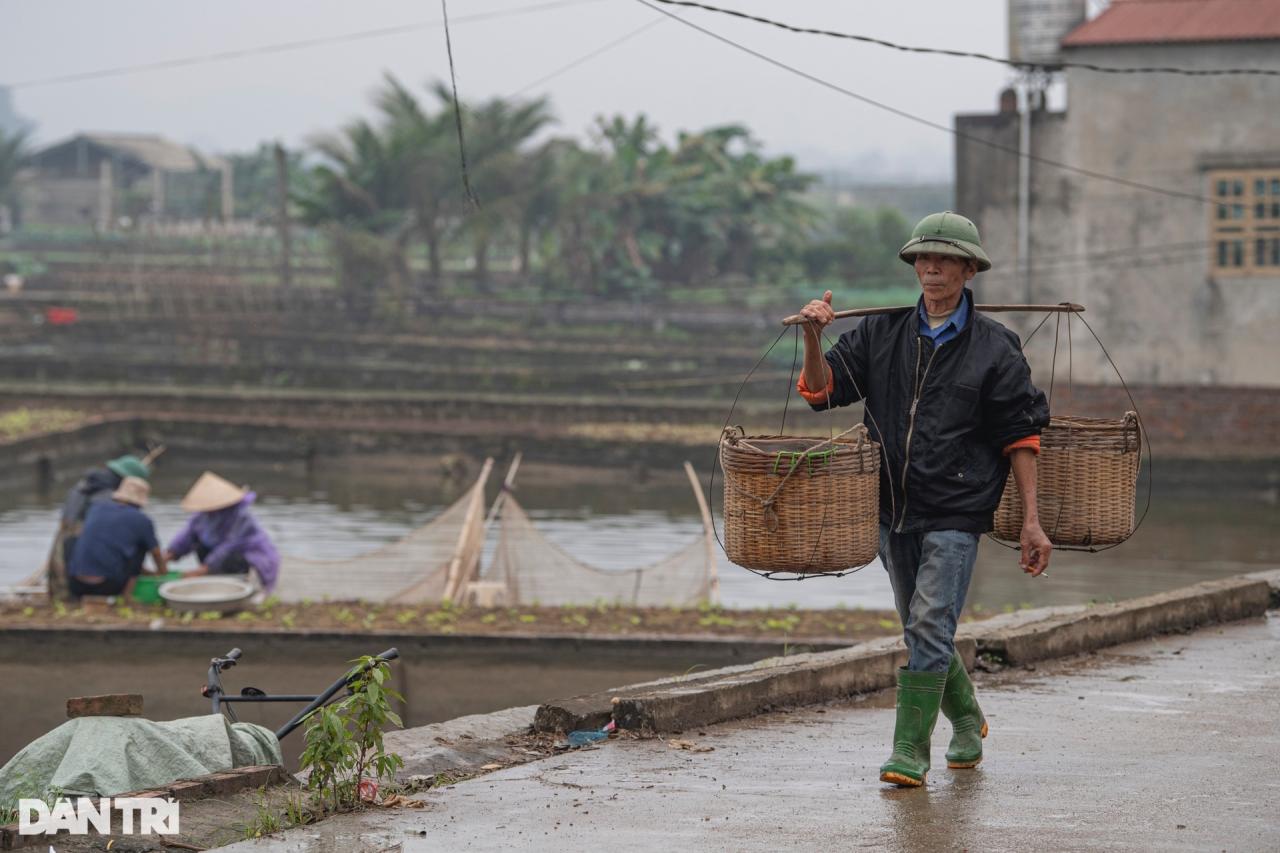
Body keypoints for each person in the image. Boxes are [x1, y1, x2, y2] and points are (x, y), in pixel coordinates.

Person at [796, 211, 1051, 787]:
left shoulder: (995, 348)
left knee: (932, 621)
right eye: (921, 258)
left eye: (943, 258)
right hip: (892, 507)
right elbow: (820, 390)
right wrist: (814, 336)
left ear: (968, 268)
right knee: (921, 627)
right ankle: (966, 717)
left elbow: (1022, 435)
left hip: (959, 510)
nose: (930, 267)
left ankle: (909, 750)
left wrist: (1031, 520)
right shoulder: (881, 334)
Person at [50, 454, 152, 599]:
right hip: (81, 540)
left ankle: (66, 597)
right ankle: (124, 595)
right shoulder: (108, 498)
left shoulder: (83, 485)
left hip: (66, 538)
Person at [165, 471, 280, 593]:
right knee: (200, 545)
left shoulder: (240, 517)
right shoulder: (202, 516)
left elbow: (228, 547)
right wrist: (169, 555)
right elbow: (187, 535)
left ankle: (235, 583)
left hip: (246, 556)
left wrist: (201, 570)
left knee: (231, 558)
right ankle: (213, 577)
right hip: (218, 556)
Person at [66, 476, 166, 598]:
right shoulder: (142, 520)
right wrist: (163, 574)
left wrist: (146, 572)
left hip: (75, 584)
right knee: (141, 547)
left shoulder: (96, 508)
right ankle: (127, 595)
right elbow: (156, 554)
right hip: (107, 586)